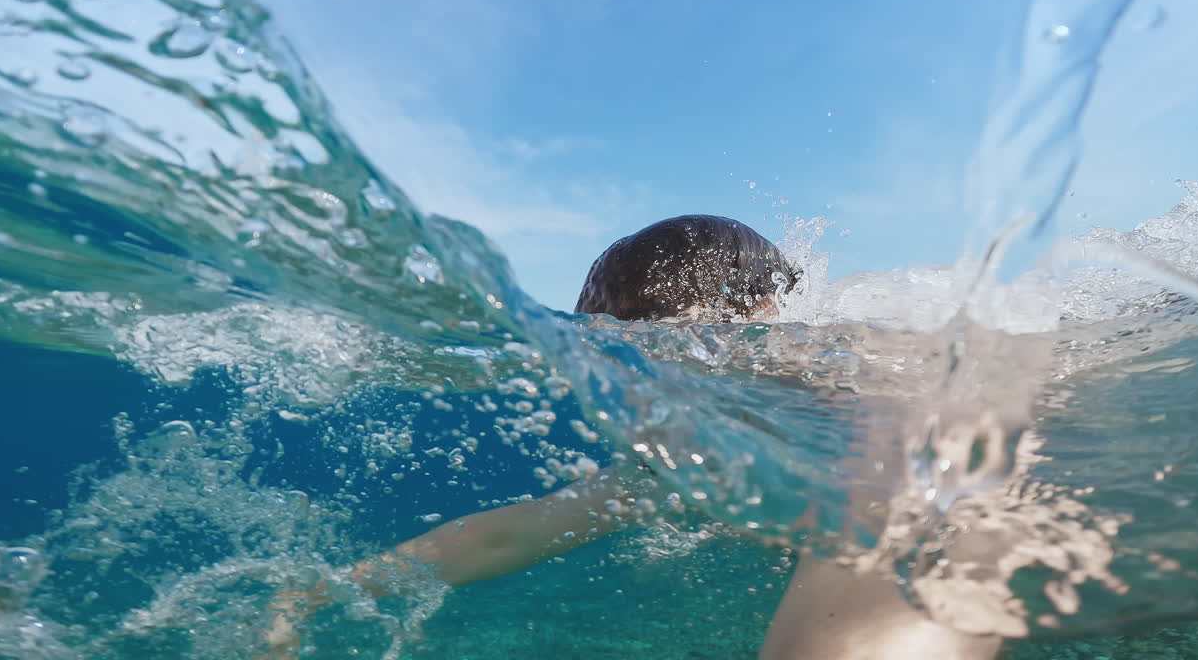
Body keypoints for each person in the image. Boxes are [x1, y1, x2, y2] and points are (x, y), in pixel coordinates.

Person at [263, 215, 999, 659]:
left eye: (652, 346)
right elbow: (515, 533)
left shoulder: (835, 364)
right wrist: (321, 591)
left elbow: (910, 486)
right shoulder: (693, 434)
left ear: (765, 311)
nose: (644, 378)